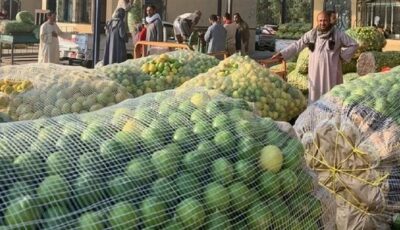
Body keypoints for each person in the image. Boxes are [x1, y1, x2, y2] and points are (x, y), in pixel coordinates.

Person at [271, 11, 358, 103]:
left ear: (329, 21)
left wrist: (342, 56)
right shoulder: (311, 34)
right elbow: (297, 45)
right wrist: (282, 54)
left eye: (325, 20)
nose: (322, 23)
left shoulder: (338, 34)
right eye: (320, 21)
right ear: (317, 21)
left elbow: (354, 44)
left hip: (331, 73)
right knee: (315, 98)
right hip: (315, 72)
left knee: (332, 98)